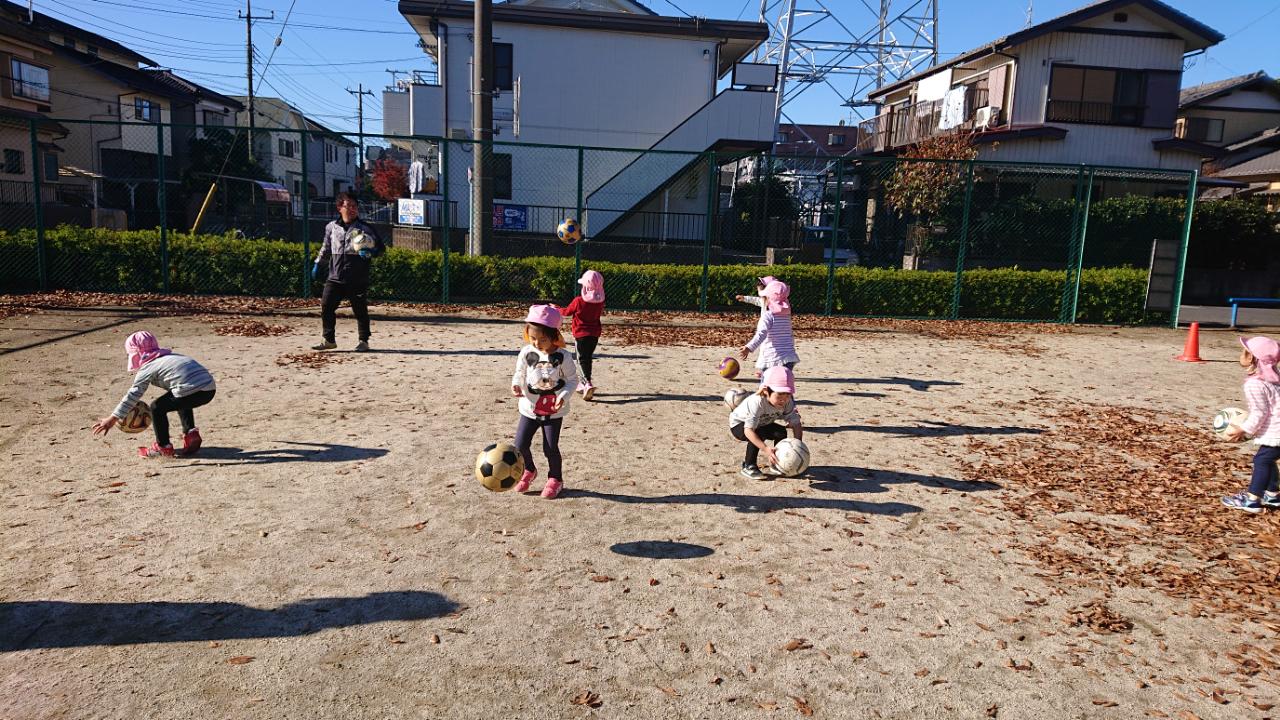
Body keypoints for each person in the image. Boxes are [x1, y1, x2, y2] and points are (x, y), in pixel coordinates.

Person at [92, 331, 217, 459]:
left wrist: (113, 418)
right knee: (180, 395)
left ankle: (163, 447)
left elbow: (133, 394)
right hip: (209, 389)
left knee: (156, 407)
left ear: (136, 354)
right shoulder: (172, 357)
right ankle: (191, 433)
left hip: (191, 390)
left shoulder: (148, 367)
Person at [510, 304, 579, 499]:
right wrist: (516, 384)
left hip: (553, 412)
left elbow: (573, 380)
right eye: (532, 338)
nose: (537, 343)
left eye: (542, 339)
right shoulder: (527, 352)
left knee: (550, 448)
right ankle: (529, 470)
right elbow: (520, 372)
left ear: (554, 336)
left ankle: (555, 478)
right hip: (529, 409)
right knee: (520, 445)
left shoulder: (563, 356)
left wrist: (563, 396)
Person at [311, 192, 385, 352]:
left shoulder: (365, 228)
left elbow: (381, 249)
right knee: (326, 306)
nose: (352, 209)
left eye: (354, 206)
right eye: (348, 206)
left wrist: (371, 252)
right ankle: (328, 339)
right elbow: (326, 248)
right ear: (339, 207)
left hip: (357, 277)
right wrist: (318, 264)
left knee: (360, 310)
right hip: (335, 276)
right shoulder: (331, 227)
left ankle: (363, 341)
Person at [1221, 336, 1280, 513]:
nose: (1242, 355)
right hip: (1276, 430)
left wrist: (1244, 429)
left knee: (1261, 460)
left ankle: (1253, 500)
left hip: (1276, 432)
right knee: (1268, 459)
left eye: (1245, 352)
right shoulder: (1274, 379)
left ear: (1253, 358)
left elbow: (1260, 412)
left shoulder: (1255, 384)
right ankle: (1273, 495)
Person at [729, 366, 803, 480]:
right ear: (766, 390)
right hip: (739, 425)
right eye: (779, 395)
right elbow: (748, 431)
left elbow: (796, 424)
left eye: (787, 395)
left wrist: (798, 446)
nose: (783, 400)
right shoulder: (757, 402)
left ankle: (778, 462)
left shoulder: (787, 402)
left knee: (780, 432)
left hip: (762, 423)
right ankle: (748, 466)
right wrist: (766, 449)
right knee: (759, 433)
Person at [737, 279, 799, 379]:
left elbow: (761, 334)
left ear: (767, 298)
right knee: (784, 383)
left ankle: (764, 374)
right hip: (789, 357)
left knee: (768, 383)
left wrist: (749, 347)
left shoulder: (768, 316)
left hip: (772, 358)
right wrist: (745, 298)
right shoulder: (786, 315)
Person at [560, 269, 606, 400]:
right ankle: (583, 383)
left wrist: (556, 308)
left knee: (581, 359)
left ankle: (587, 383)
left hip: (581, 334)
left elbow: (566, 312)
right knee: (587, 358)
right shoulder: (600, 302)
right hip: (594, 334)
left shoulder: (579, 301)